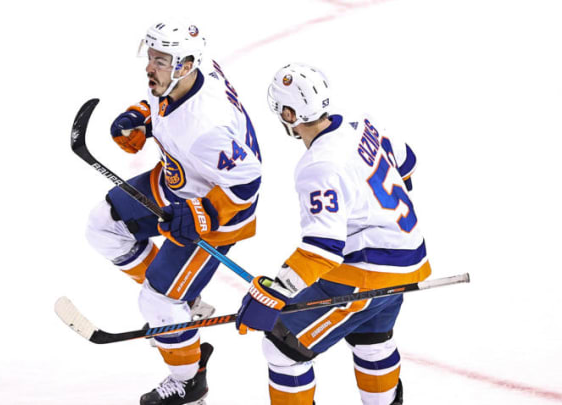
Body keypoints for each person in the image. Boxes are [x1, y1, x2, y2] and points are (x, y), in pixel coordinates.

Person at [84, 20, 262, 405]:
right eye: (151, 57)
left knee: (157, 302)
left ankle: (188, 382)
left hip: (218, 213)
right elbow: (163, 104)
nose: (151, 66)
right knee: (103, 226)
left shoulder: (206, 126)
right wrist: (140, 117)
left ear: (184, 65)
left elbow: (247, 184)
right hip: (176, 180)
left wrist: (201, 215)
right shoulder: (193, 72)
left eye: (161, 61)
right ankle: (184, 306)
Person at [235, 63, 431, 405]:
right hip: (408, 254)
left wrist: (275, 292)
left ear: (289, 113)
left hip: (369, 273)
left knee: (283, 347)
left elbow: (322, 250)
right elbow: (407, 163)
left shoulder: (319, 166)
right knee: (372, 339)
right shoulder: (361, 121)